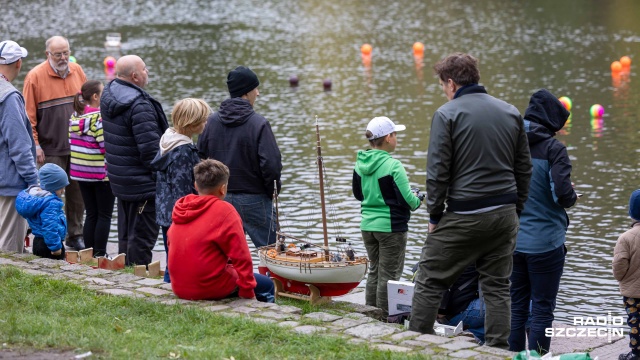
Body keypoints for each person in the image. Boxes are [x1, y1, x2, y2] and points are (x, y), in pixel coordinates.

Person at [409, 52, 532, 349]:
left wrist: (434, 217)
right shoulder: (510, 112)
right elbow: (523, 168)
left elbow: (438, 173)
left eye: (442, 86)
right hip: (504, 214)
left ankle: (411, 345)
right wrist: (515, 210)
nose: (444, 93)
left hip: (466, 213)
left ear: (451, 83)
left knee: (429, 276)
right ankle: (497, 350)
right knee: (497, 285)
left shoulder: (447, 114)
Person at [509, 89, 578, 354]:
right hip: (546, 244)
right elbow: (562, 195)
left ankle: (514, 357)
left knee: (516, 305)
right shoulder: (554, 149)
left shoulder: (508, 144)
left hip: (512, 241)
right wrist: (572, 195)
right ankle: (537, 359)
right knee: (541, 308)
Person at [198, 66, 282, 249]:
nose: (258, 93)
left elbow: (200, 159)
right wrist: (270, 191)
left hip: (219, 198)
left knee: (225, 253)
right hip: (255, 197)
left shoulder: (211, 122)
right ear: (246, 92)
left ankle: (233, 279)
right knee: (270, 253)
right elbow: (272, 165)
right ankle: (268, 278)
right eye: (255, 88)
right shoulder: (259, 123)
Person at [168, 159, 275, 302]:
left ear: (196, 185)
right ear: (223, 188)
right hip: (208, 287)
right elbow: (241, 256)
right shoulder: (225, 210)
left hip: (179, 286)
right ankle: (264, 315)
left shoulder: (182, 207)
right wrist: (247, 291)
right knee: (267, 284)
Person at [101, 55, 169, 266]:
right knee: (141, 237)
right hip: (142, 184)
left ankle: (125, 273)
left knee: (125, 234)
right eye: (145, 69)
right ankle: (138, 278)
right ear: (135, 76)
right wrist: (161, 178)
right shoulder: (139, 105)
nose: (147, 72)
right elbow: (151, 152)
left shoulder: (109, 93)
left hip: (121, 178)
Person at [352, 116, 422, 318]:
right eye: (395, 134)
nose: (397, 137)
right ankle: (383, 317)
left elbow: (359, 195)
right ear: (388, 138)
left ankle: (369, 311)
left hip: (367, 226)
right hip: (391, 228)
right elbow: (407, 200)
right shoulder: (393, 166)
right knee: (389, 275)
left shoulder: (360, 163)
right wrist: (418, 200)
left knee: (375, 270)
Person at [22, 35, 87, 251]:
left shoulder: (77, 70)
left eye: (66, 52)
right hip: (50, 148)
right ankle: (50, 235)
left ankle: (75, 234)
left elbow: (86, 105)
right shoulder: (35, 77)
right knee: (51, 195)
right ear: (47, 54)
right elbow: (28, 117)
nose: (63, 57)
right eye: (58, 54)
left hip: (78, 146)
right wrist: (36, 145)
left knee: (77, 193)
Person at [151, 98, 210, 283]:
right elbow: (182, 191)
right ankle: (174, 288)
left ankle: (171, 287)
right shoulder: (183, 152)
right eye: (203, 120)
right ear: (191, 123)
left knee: (172, 257)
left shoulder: (168, 141)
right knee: (178, 260)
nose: (206, 123)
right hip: (179, 215)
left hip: (165, 210)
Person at [69, 80, 114, 258]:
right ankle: (100, 255)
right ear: (95, 97)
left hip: (80, 173)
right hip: (100, 174)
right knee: (104, 215)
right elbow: (105, 148)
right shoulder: (99, 120)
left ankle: (88, 254)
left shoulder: (74, 117)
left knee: (91, 214)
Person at [0, 40, 38, 253]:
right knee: (9, 249)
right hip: (9, 182)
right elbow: (19, 146)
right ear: (18, 63)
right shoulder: (9, 96)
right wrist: (34, 181)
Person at [15, 163, 68, 260]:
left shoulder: (37, 199)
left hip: (37, 242)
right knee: (55, 270)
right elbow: (50, 226)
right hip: (49, 244)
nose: (63, 191)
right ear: (52, 186)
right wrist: (55, 247)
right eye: (61, 188)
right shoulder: (50, 203)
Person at [613, 190, 640, 360]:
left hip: (633, 293)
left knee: (635, 322)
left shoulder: (626, 238)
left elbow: (619, 266)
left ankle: (636, 354)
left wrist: (622, 278)